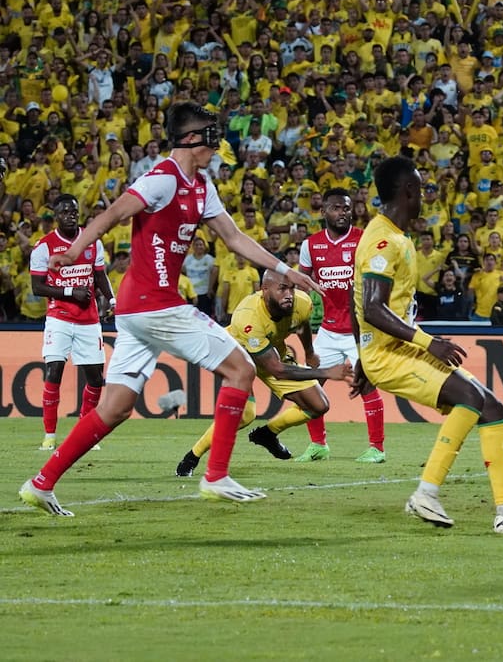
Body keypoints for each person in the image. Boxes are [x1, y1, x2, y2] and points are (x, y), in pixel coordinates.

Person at [18, 102, 322, 517]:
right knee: (242, 370)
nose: (218, 145)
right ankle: (215, 474)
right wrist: (72, 252)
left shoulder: (202, 186)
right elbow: (112, 214)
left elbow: (234, 238)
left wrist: (285, 269)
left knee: (116, 407)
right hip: (156, 304)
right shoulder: (163, 178)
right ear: (193, 139)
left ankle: (41, 483)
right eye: (212, 136)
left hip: (135, 312)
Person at [352, 155, 503, 533]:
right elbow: (373, 308)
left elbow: (353, 296)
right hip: (391, 353)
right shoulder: (382, 239)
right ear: (409, 190)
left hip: (391, 348)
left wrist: (361, 352)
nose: (425, 194)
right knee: (471, 399)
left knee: (491, 406)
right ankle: (426, 493)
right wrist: (427, 343)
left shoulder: (395, 236)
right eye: (422, 187)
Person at [176, 271, 353, 476]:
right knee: (245, 415)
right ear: (264, 290)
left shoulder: (302, 302)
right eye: (282, 289)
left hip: (272, 351)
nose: (289, 294)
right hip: (236, 355)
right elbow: (277, 370)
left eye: (291, 288)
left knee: (319, 405)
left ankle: (267, 434)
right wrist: (327, 372)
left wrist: (309, 352)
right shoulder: (248, 317)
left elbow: (302, 324)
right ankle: (192, 457)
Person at [296, 187, 388, 463]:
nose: (343, 213)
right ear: (323, 211)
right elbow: (302, 288)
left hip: (360, 332)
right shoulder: (310, 245)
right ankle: (318, 445)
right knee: (310, 386)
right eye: (336, 208)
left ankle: (377, 448)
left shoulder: (363, 240)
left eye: (346, 208)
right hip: (328, 329)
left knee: (366, 384)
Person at [30, 194, 116, 451]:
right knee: (54, 371)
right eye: (65, 211)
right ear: (56, 216)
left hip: (89, 321)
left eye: (74, 211)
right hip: (59, 318)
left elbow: (100, 276)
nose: (71, 214)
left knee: (95, 379)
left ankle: (84, 431)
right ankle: (49, 436)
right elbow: (37, 287)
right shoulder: (44, 246)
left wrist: (112, 301)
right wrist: (70, 293)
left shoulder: (92, 242)